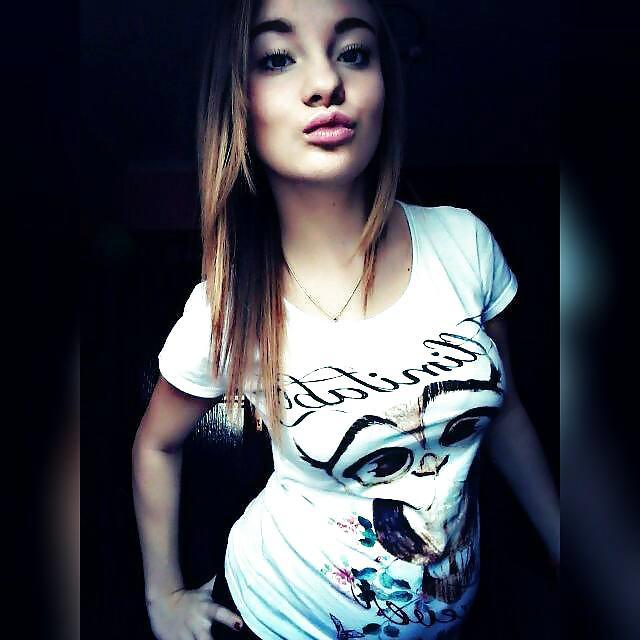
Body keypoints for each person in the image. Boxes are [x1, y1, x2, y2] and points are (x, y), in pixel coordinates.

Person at [132, 1, 560, 638]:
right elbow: (155, 444)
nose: (327, 82)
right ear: (238, 103)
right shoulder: (230, 304)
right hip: (278, 618)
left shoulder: (465, 245)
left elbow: (509, 413)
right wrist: (162, 596)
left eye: (353, 52)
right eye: (279, 58)